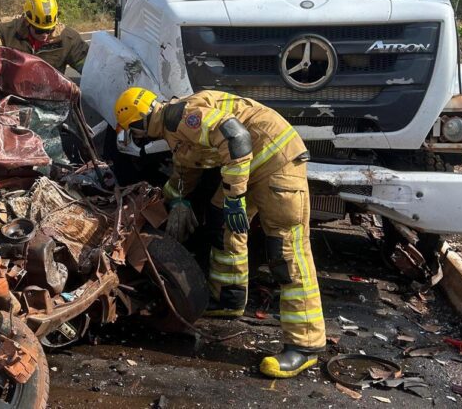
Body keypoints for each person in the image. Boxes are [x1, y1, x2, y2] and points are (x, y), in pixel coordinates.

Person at [114, 87, 326, 378]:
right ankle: (229, 299)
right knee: (221, 222)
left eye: (132, 131)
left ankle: (305, 345)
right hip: (252, 166)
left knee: (286, 251)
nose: (136, 137)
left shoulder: (182, 117)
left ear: (138, 122)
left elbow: (235, 136)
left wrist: (235, 196)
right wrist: (171, 200)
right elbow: (184, 171)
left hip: (277, 161)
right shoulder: (173, 130)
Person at [0, 0, 89, 73]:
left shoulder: (68, 39)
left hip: (50, 95)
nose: (45, 35)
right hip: (14, 94)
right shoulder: (9, 28)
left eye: (49, 30)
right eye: (40, 30)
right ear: (27, 21)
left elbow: (89, 68)